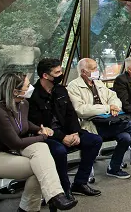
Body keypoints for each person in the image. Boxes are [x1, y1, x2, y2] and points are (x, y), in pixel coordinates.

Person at [0, 72, 77, 212]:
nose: (31, 87)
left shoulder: (23, 104)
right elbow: (15, 143)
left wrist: (39, 130)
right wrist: (43, 136)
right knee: (40, 169)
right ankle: (31, 208)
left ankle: (55, 195)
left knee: (40, 152)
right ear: (15, 91)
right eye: (27, 85)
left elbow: (24, 124)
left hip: (6, 149)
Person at [67, 58, 131, 178]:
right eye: (93, 69)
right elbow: (81, 110)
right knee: (130, 125)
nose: (97, 70)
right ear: (83, 71)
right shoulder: (74, 86)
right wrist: (107, 108)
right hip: (90, 125)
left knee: (126, 137)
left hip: (108, 121)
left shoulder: (98, 83)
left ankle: (114, 168)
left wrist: (115, 107)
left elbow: (114, 97)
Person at [29, 58, 102, 199]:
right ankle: (64, 188)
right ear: (45, 75)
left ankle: (80, 183)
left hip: (68, 132)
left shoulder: (61, 90)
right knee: (59, 151)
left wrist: (75, 132)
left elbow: (71, 114)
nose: (61, 74)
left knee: (95, 140)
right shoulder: (33, 96)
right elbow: (39, 125)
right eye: (57, 72)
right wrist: (62, 137)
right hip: (47, 136)